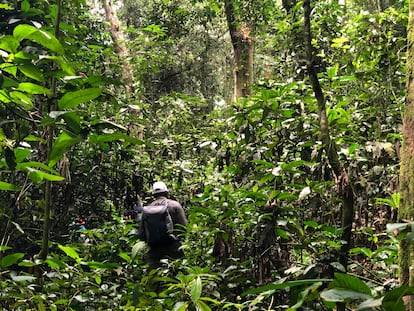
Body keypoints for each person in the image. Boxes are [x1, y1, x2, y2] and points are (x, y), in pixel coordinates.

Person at [139, 181, 188, 270]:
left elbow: (142, 234)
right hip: (173, 247)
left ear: (153, 195)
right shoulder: (175, 205)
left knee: (155, 278)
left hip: (154, 250)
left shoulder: (147, 209)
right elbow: (184, 227)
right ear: (166, 192)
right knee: (177, 276)